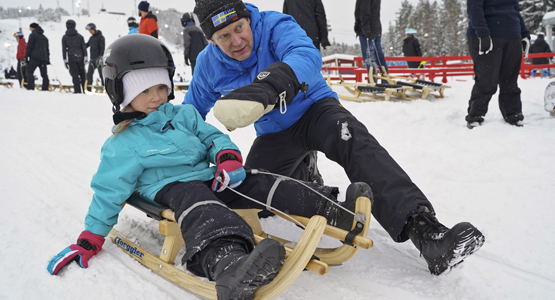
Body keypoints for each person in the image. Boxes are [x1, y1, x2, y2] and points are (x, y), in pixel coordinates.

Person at [46, 34, 369, 299]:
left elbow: (214, 138)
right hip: (175, 190)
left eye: (161, 87)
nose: (157, 96)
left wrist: (227, 158)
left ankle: (335, 211)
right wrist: (90, 238)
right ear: (122, 94)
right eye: (144, 91)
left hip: (212, 176)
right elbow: (108, 192)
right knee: (201, 206)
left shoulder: (183, 116)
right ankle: (229, 264)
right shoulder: (122, 144)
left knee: (261, 182)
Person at [184, 0, 485, 276]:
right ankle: (306, 172)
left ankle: (426, 232)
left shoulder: (274, 25)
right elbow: (191, 115)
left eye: (239, 28)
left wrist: (272, 83)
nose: (236, 41)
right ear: (211, 40)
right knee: (253, 192)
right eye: (224, 36)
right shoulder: (209, 65)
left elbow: (306, 55)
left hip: (316, 109)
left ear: (248, 20)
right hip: (275, 134)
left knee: (354, 142)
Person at [465, 0, 530, 128]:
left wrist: (524, 35)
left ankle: (513, 113)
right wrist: (482, 33)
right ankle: (475, 115)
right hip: (488, 34)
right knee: (487, 79)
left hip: (512, 35)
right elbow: (474, 7)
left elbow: (515, 11)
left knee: (510, 79)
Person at [354, 0, 389, 81]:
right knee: (378, 55)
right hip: (375, 29)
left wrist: (365, 29)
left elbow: (364, 12)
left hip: (367, 30)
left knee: (369, 57)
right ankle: (385, 79)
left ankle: (373, 80)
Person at [62, 19, 87, 94]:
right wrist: (85, 57)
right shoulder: (80, 36)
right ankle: (85, 89)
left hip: (71, 57)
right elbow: (84, 48)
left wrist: (65, 60)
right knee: (82, 73)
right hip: (80, 56)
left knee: (75, 74)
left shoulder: (65, 37)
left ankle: (77, 90)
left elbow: (64, 49)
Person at [25, 22, 50, 91]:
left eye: (30, 28)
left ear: (33, 28)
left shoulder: (32, 35)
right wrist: (47, 59)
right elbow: (47, 49)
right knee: (44, 74)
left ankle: (30, 87)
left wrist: (26, 56)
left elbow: (29, 46)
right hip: (43, 58)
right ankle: (45, 87)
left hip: (35, 57)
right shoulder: (44, 37)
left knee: (29, 71)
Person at [85, 23, 105, 91]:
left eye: (91, 30)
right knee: (89, 74)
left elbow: (102, 48)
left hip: (98, 58)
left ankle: (104, 88)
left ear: (94, 29)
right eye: (89, 30)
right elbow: (86, 45)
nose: (90, 32)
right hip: (92, 58)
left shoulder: (101, 37)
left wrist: (101, 57)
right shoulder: (91, 38)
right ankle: (88, 89)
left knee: (101, 74)